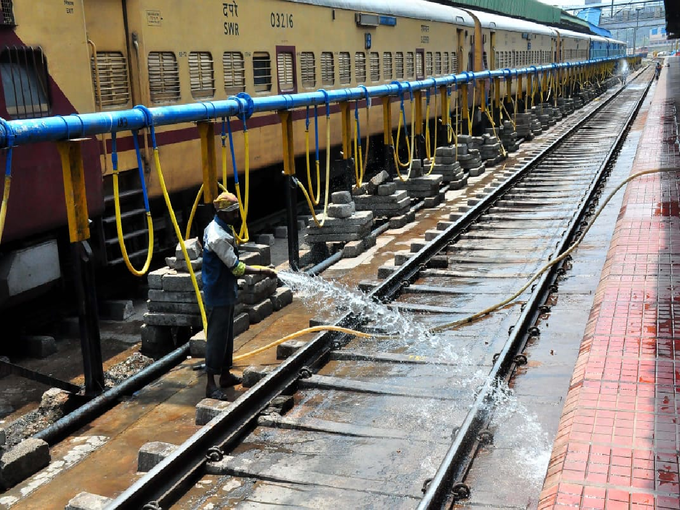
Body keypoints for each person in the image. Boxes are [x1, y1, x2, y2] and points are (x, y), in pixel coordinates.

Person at [202, 191, 277, 400]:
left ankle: (224, 375)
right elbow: (235, 268)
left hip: (224, 289)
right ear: (224, 214)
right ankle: (210, 385)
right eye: (234, 213)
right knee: (216, 338)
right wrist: (263, 270)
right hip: (218, 291)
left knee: (226, 336)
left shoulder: (218, 227)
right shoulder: (218, 236)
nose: (237, 217)